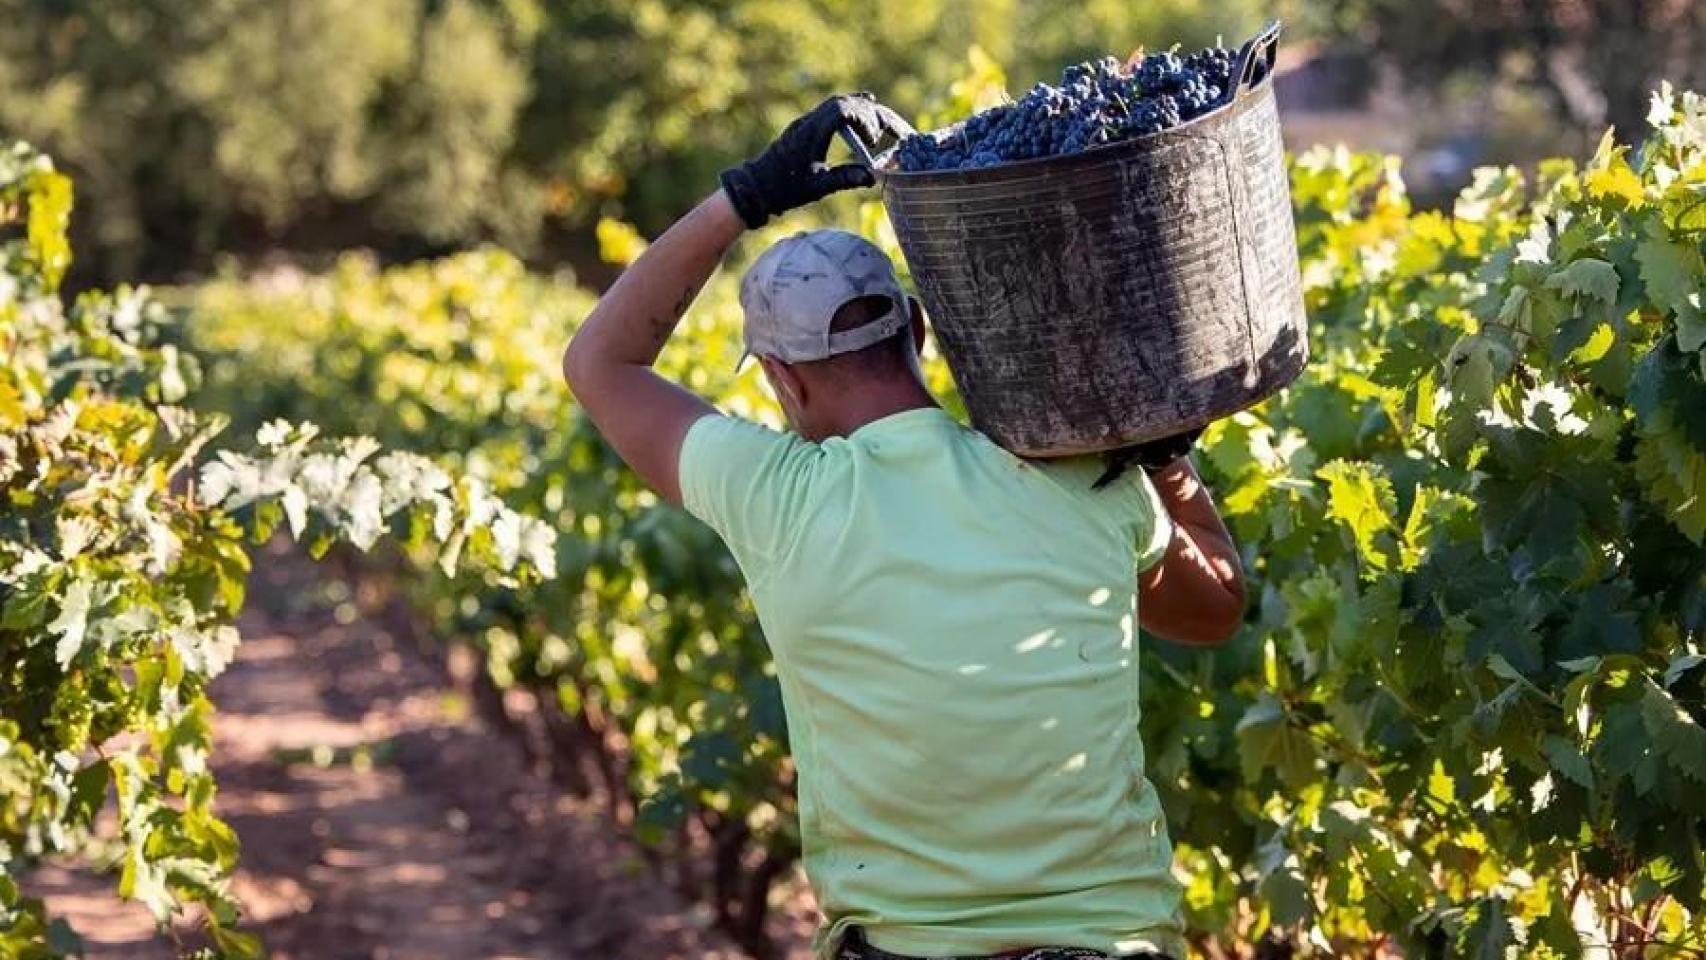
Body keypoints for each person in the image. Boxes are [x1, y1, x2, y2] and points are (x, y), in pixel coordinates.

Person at [562, 94, 1246, 960]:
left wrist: (743, 198)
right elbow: (1217, 606)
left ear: (783, 379)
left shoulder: (777, 497)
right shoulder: (1077, 476)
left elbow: (598, 364)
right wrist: (1163, 449)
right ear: (917, 331)